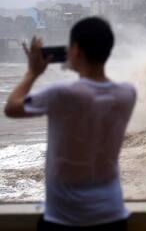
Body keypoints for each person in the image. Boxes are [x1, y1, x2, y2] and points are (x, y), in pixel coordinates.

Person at [4, 17, 137, 231]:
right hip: (112, 216)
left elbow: (11, 108)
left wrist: (32, 73)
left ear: (75, 50)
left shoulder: (61, 94)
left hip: (64, 220)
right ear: (108, 51)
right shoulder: (127, 93)